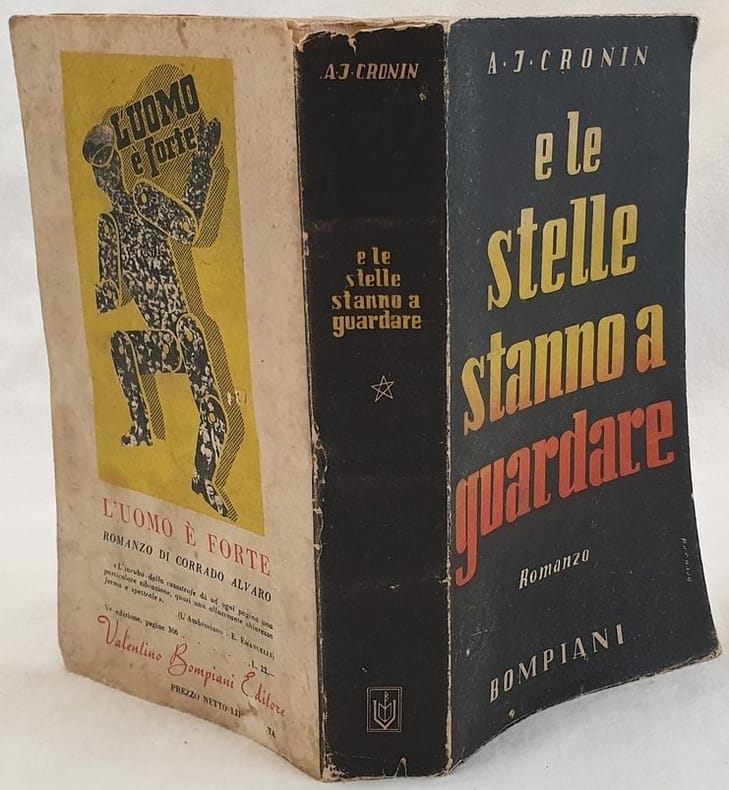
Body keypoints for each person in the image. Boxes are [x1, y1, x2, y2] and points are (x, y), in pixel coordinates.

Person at [83, 116, 235, 520]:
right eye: (99, 166)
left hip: (181, 329)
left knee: (214, 414)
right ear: (97, 178)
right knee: (120, 343)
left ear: (119, 163)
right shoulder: (108, 228)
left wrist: (203, 156)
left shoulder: (145, 200)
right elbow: (112, 295)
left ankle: (203, 478)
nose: (106, 173)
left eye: (109, 159)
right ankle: (141, 425)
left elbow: (190, 224)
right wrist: (101, 292)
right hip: (161, 342)